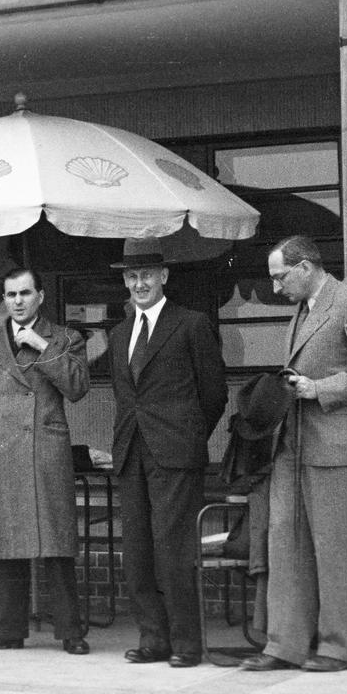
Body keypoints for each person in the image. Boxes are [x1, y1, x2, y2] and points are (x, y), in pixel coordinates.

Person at [242, 235, 347, 674]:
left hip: (334, 446)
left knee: (335, 549)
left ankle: (337, 647)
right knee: (286, 544)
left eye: (280, 277)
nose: (275, 288)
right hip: (292, 445)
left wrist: (320, 389)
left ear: (306, 267)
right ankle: (284, 644)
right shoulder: (303, 309)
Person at [107, 246, 228, 668]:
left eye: (147, 275)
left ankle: (186, 644)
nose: (139, 284)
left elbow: (214, 394)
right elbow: (127, 398)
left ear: (164, 277)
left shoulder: (191, 324)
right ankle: (153, 638)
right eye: (132, 276)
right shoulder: (120, 334)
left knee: (173, 552)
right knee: (137, 552)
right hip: (131, 454)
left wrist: (188, 437)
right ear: (125, 281)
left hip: (175, 455)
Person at [0, 267, 90, 655]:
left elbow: (78, 388)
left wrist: (40, 345)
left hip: (43, 449)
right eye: (10, 294)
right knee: (4, 543)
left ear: (41, 296)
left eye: (25, 293)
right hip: (0, 451)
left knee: (56, 543)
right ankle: (7, 630)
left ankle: (70, 632)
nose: (17, 301)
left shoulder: (66, 337)